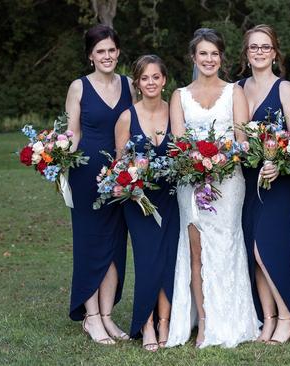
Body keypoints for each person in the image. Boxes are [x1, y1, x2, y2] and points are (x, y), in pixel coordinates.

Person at [165, 28, 260, 349]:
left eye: (214, 54)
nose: (209, 59)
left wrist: (220, 159)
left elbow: (243, 142)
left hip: (228, 181)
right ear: (194, 57)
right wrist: (196, 163)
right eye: (203, 53)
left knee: (226, 245)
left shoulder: (235, 92)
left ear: (222, 57)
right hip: (190, 183)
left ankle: (230, 318)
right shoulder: (178, 95)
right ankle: (204, 322)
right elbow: (178, 145)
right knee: (196, 250)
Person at [64, 24, 135, 345]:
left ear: (118, 52)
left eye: (111, 50)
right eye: (100, 52)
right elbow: (73, 133)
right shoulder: (78, 87)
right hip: (86, 176)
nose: (106, 56)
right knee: (90, 245)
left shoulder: (130, 85)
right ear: (90, 56)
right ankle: (91, 317)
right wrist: (54, 154)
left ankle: (107, 315)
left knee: (115, 247)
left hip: (120, 178)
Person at [236, 24, 290, 344]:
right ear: (246, 54)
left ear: (274, 53)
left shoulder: (285, 89)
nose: (259, 52)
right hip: (246, 182)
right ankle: (268, 318)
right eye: (253, 47)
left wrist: (279, 161)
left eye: (265, 47)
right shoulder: (236, 88)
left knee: (267, 250)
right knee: (252, 252)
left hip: (279, 182)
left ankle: (287, 316)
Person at [114, 55, 179, 352]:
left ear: (164, 80)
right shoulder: (127, 117)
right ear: (137, 84)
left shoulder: (174, 111)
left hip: (170, 198)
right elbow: (120, 165)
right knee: (147, 260)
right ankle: (146, 322)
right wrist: (129, 183)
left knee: (168, 260)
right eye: (144, 78)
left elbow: (183, 152)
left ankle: (165, 322)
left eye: (156, 77)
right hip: (140, 202)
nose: (150, 82)